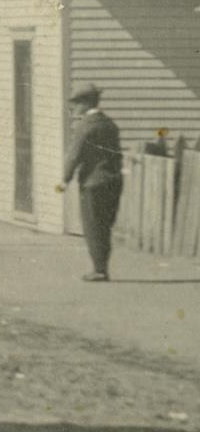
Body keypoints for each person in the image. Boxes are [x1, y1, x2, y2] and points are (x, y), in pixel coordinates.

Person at [61, 83, 124, 282]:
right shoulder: (109, 124)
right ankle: (102, 266)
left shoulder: (85, 126)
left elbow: (74, 155)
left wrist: (65, 179)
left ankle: (99, 269)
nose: (74, 108)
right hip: (113, 180)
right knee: (105, 225)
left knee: (93, 226)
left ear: (86, 103)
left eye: (77, 103)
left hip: (92, 182)